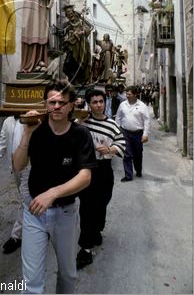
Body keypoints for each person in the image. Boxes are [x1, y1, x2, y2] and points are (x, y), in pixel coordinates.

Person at [13, 79, 97, 294]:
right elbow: (18, 165)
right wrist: (27, 133)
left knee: (68, 273)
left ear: (70, 106)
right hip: (34, 212)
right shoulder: (37, 132)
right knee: (31, 280)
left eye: (61, 102)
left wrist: (53, 193)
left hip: (65, 213)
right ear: (46, 104)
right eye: (52, 102)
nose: (56, 107)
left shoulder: (80, 134)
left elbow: (85, 177)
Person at [76, 88, 125, 269]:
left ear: (105, 103)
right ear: (89, 103)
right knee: (87, 207)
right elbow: (72, 136)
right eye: (94, 102)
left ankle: (96, 230)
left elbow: (121, 143)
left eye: (101, 101)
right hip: (87, 170)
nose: (98, 105)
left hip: (104, 170)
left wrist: (111, 149)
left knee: (102, 202)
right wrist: (78, 122)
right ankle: (85, 248)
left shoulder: (111, 125)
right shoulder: (83, 122)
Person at [0, 116, 30, 254]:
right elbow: (2, 141)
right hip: (15, 167)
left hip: (30, 167)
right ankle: (42, 223)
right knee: (27, 199)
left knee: (25, 200)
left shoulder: (35, 119)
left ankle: (16, 236)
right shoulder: (8, 121)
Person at [115, 85, 150, 182]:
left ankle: (138, 169)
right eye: (126, 93)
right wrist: (117, 131)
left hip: (138, 133)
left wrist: (145, 134)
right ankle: (128, 175)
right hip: (125, 132)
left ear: (135, 94)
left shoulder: (142, 106)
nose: (127, 95)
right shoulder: (122, 105)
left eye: (129, 94)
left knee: (138, 154)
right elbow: (118, 118)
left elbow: (147, 121)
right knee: (127, 154)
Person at [62, 5, 92, 85]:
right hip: (71, 46)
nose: (70, 15)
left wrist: (81, 32)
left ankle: (79, 81)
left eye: (71, 12)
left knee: (81, 63)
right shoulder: (67, 24)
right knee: (68, 63)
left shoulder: (81, 21)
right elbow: (63, 33)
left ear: (73, 12)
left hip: (82, 45)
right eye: (68, 13)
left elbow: (88, 28)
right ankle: (72, 80)